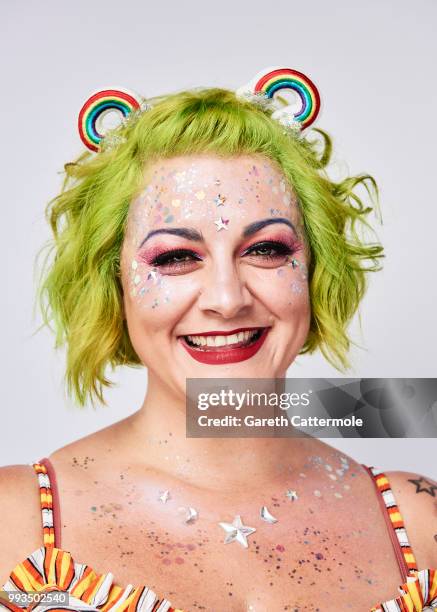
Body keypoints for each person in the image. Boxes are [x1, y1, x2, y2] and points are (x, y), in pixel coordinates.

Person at [0, 68, 436, 612]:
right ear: (112, 283)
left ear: (316, 269)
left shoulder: (422, 525)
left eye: (267, 250)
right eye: (176, 257)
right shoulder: (13, 523)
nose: (228, 299)